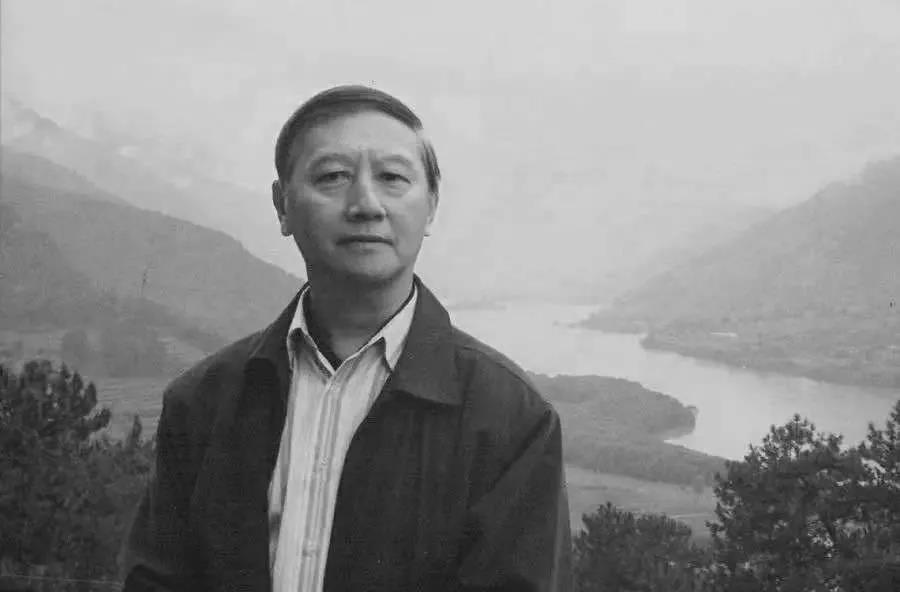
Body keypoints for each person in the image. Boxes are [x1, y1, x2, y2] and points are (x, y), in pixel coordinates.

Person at [122, 85, 572, 591]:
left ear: (431, 206)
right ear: (282, 205)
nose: (366, 204)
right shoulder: (204, 402)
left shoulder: (510, 418)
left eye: (393, 178)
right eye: (333, 176)